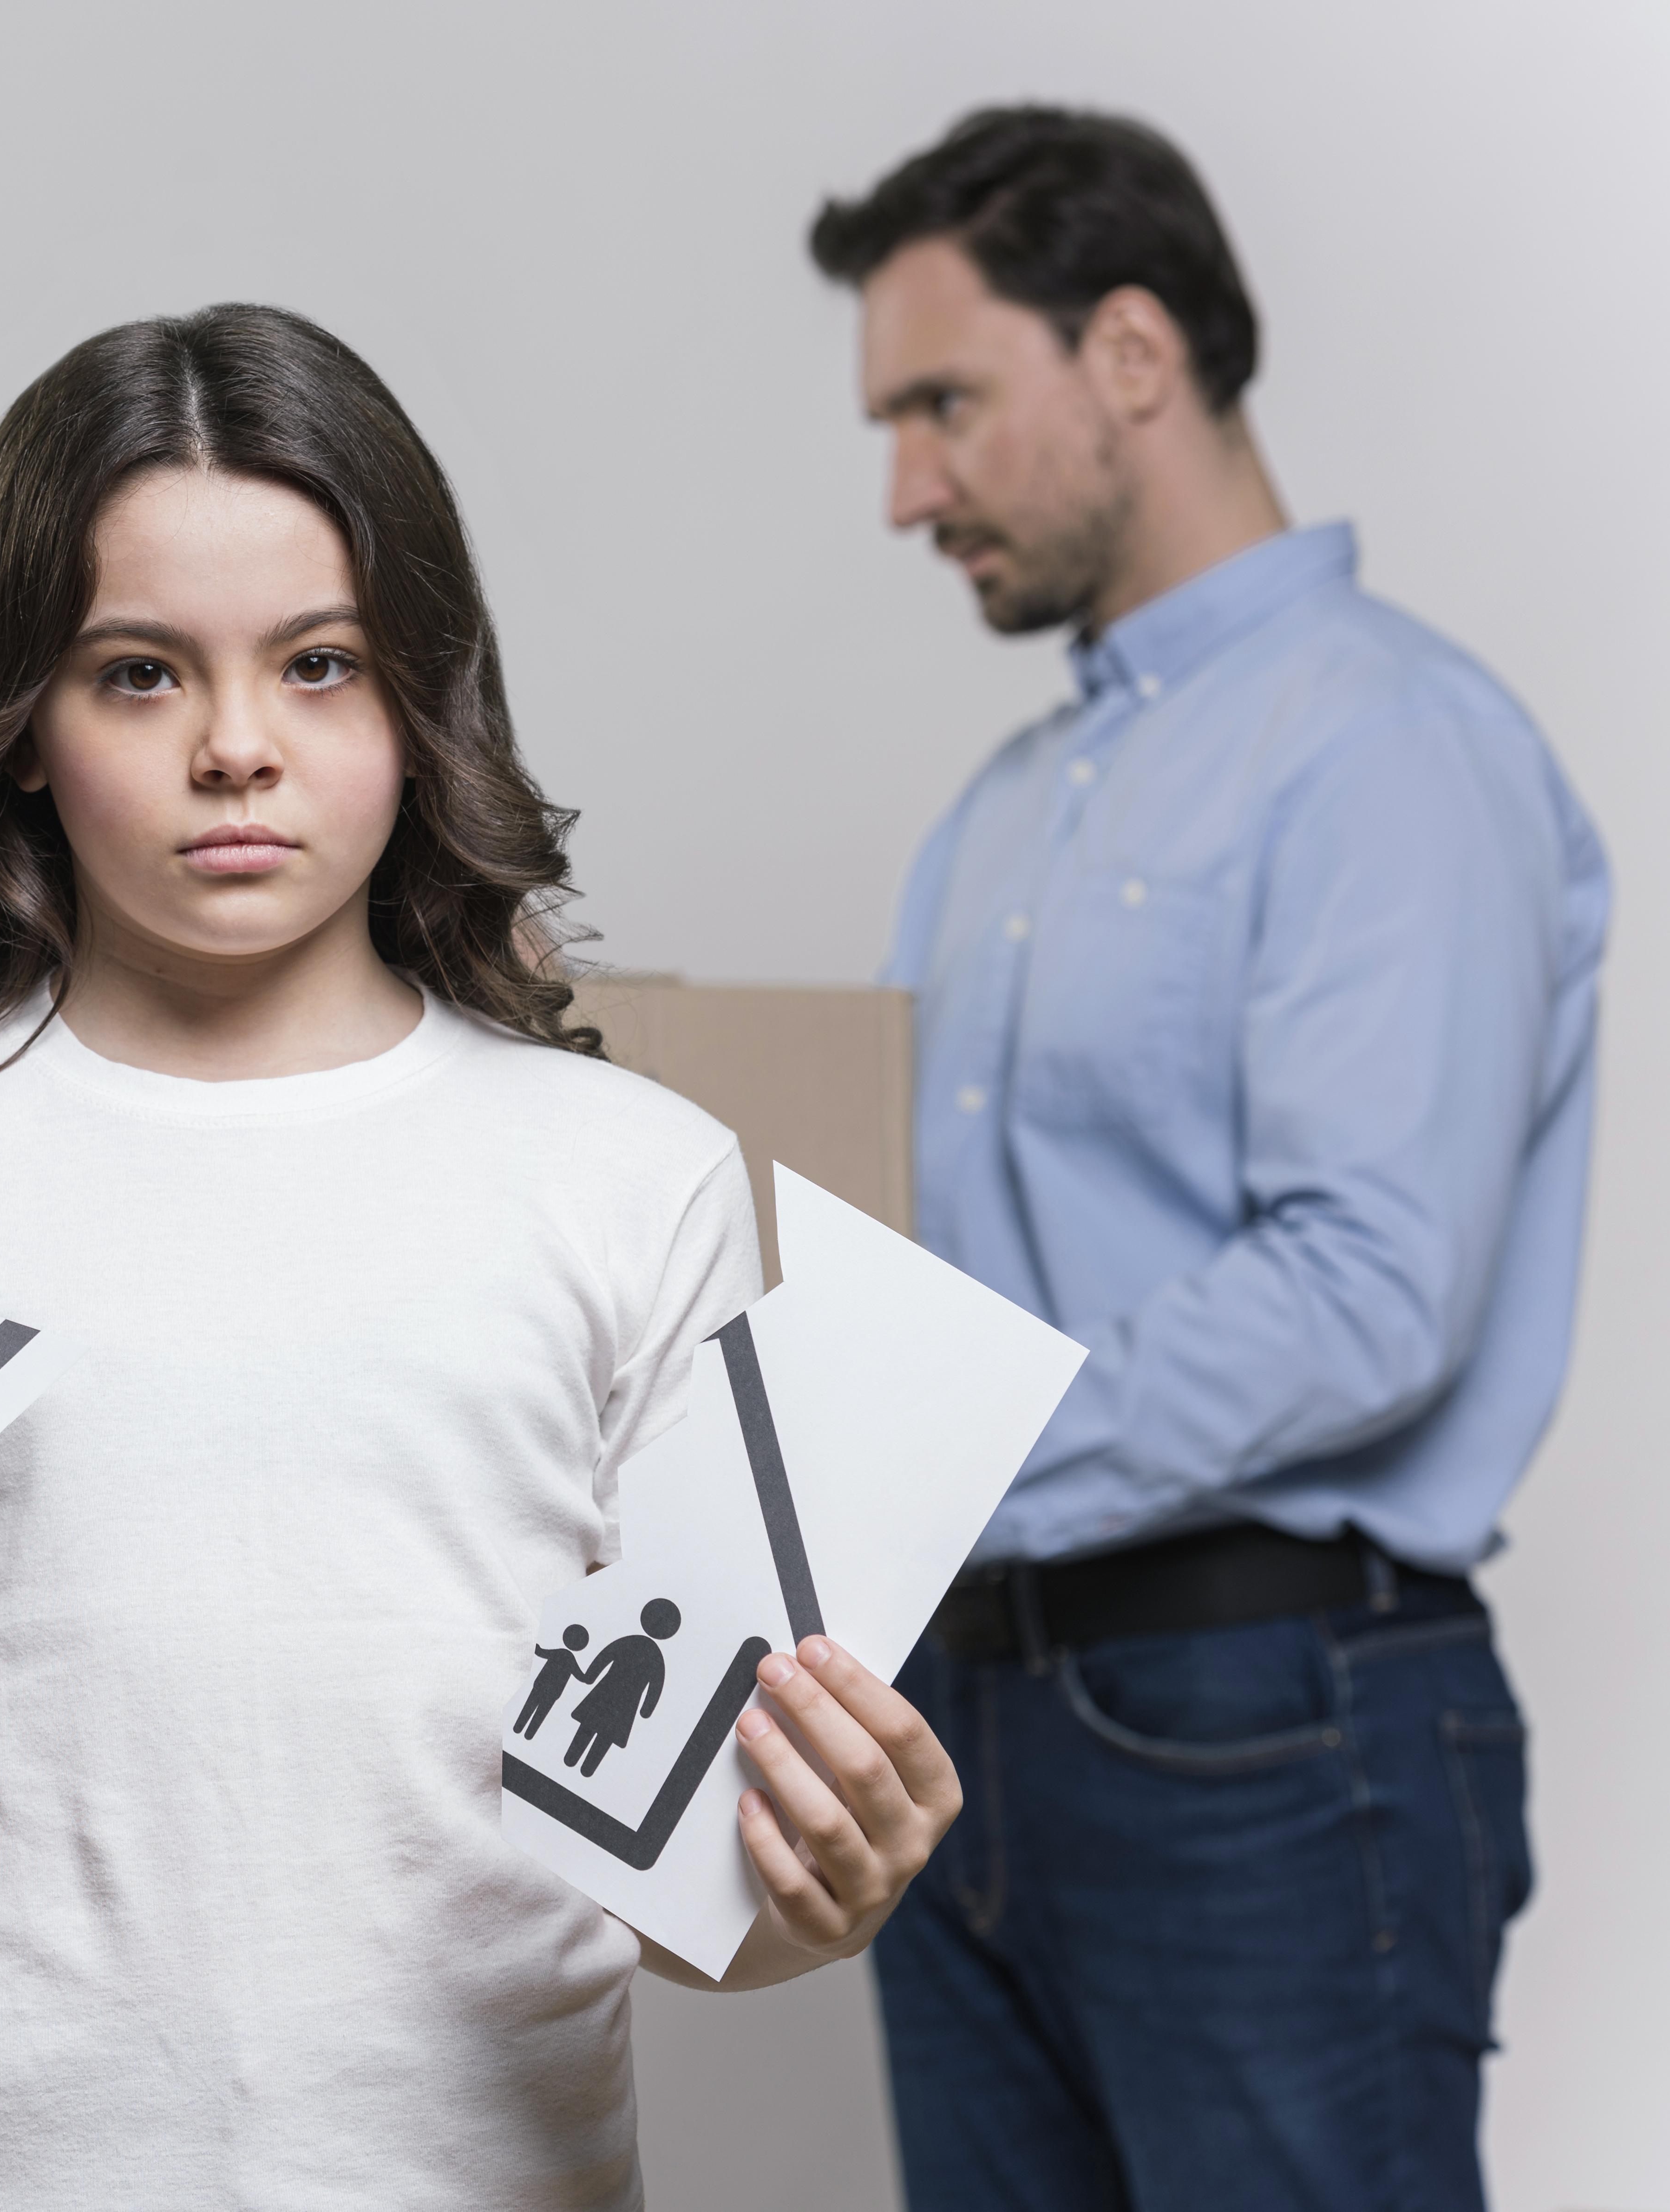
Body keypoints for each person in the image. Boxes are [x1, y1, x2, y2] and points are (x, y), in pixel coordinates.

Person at [0, 304, 963, 2208]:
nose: (236, 746)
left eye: (317, 664)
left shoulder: (630, 1181)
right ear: (19, 729)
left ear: (417, 704)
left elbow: (688, 1910)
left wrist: (818, 1886)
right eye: (137, 673)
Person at [806, 108, 1604, 2212]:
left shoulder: (1386, 743)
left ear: (1132, 354)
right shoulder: (994, 814)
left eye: (941, 406)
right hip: (953, 1727)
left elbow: (1365, 1291)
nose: (905, 490)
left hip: (1258, 1738)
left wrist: (913, 1473)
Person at [560, 1603, 678, 1776]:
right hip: (626, 1705)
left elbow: (605, 1657)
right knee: (604, 1735)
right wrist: (646, 1710)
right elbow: (656, 1685)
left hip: (606, 1693)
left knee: (590, 1726)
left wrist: (591, 1675)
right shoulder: (656, 1655)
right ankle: (587, 1769)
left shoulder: (631, 1641)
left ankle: (572, 1759)